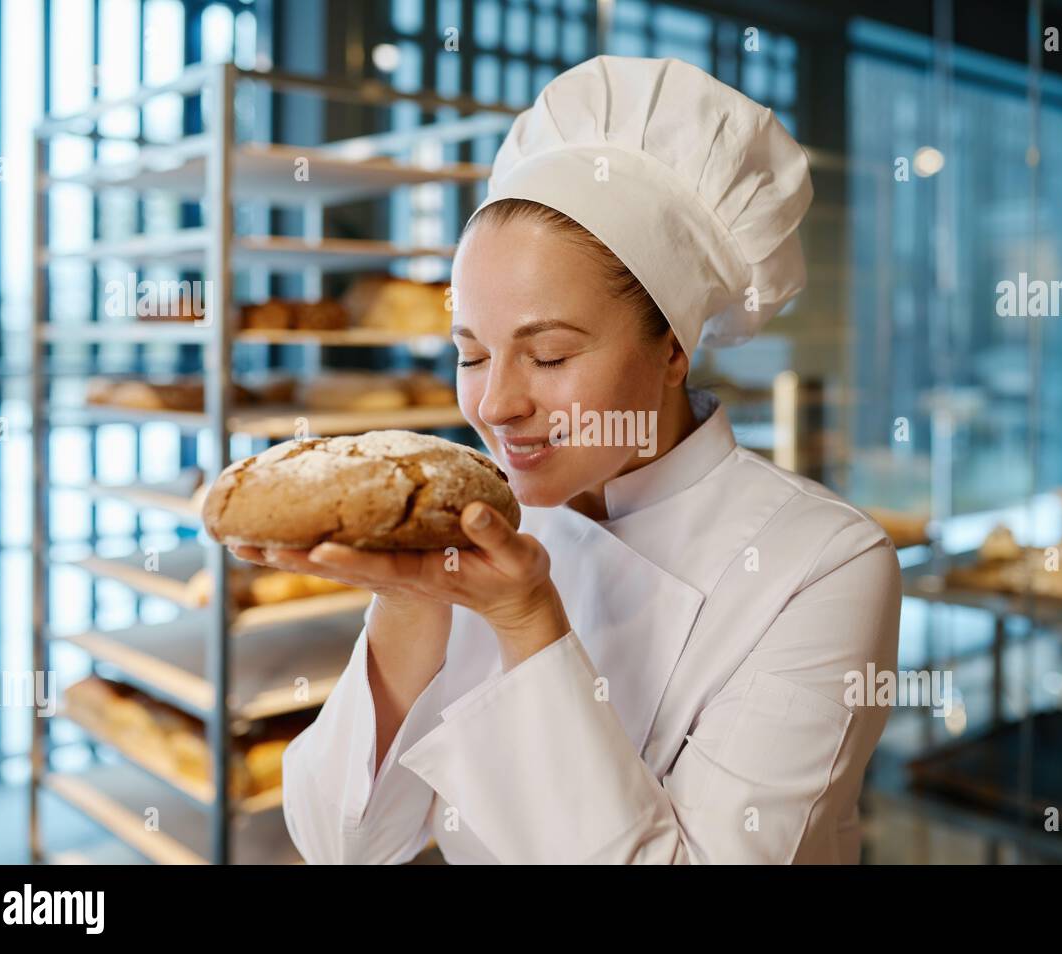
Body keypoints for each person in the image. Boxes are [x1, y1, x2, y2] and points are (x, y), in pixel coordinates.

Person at [237, 54, 902, 864]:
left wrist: (529, 622)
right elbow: (345, 844)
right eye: (472, 355)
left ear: (672, 350)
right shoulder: (479, 522)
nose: (493, 406)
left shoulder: (824, 563)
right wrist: (407, 608)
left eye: (548, 356)